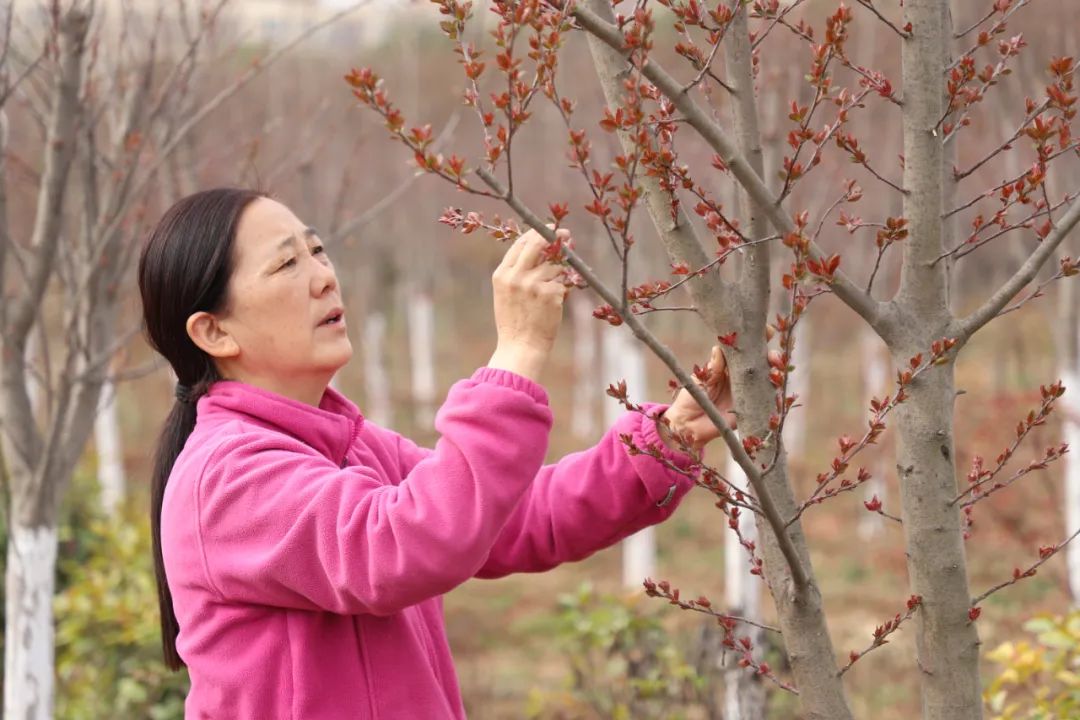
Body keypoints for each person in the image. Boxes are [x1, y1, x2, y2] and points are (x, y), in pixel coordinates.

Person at [139, 187, 732, 719]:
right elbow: (405, 546)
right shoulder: (226, 476)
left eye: (316, 251)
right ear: (214, 333)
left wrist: (670, 436)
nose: (323, 277)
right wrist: (518, 351)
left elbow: (520, 515)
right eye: (287, 264)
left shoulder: (351, 447)